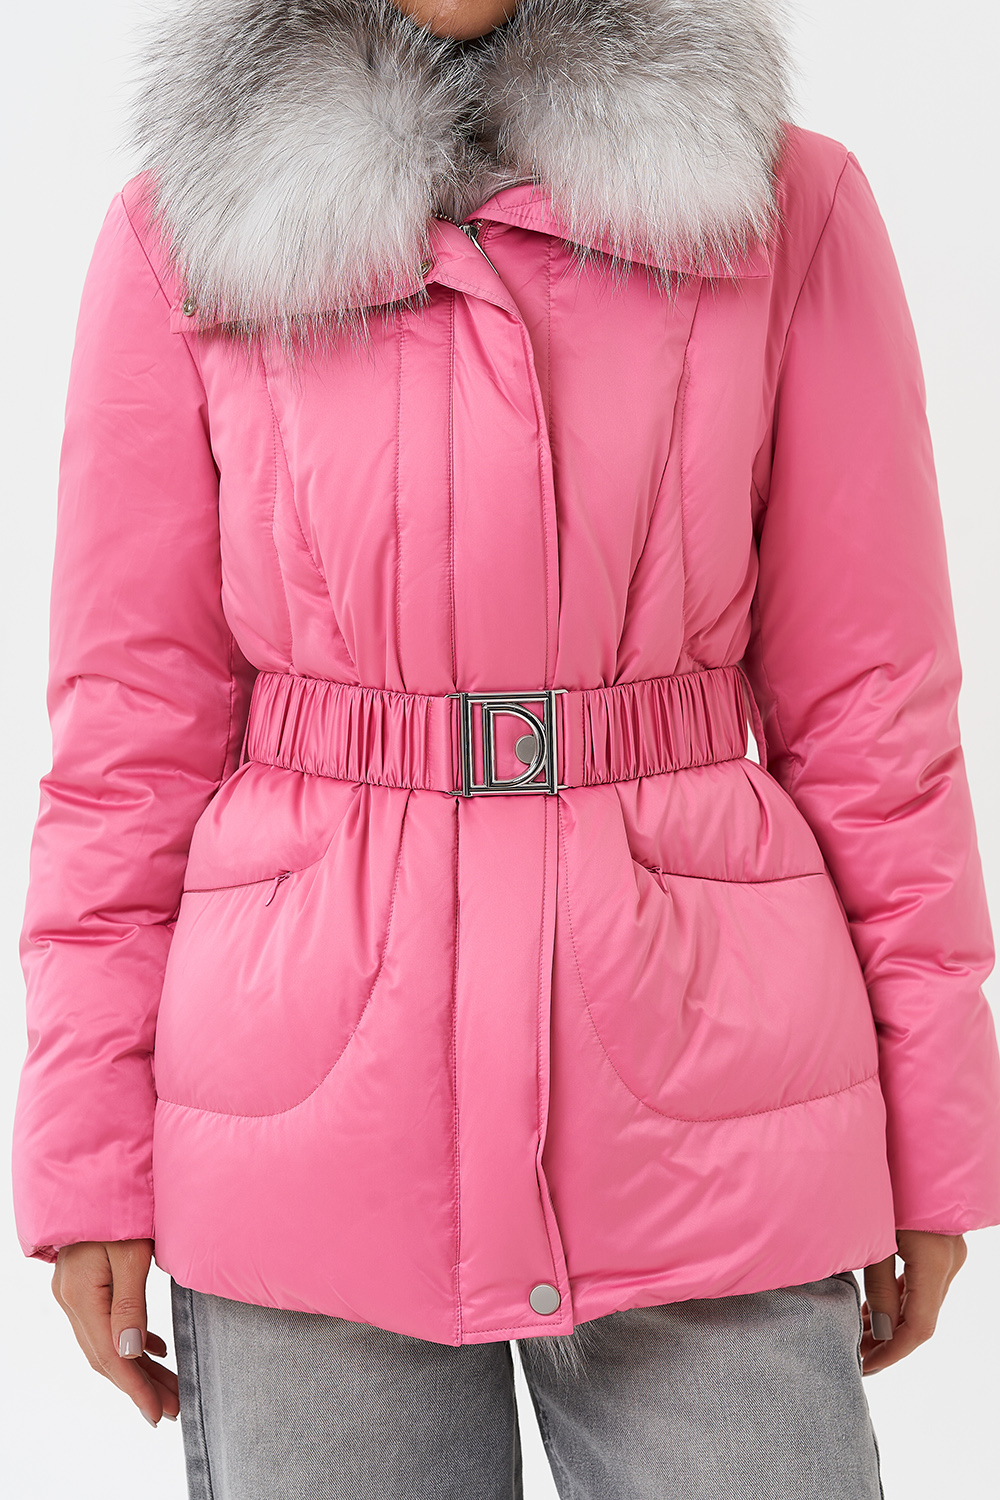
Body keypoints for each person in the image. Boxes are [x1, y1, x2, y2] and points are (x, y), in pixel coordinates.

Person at [12, 0, 1000, 1495]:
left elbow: (876, 715)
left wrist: (935, 1131)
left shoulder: (778, 200)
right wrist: (85, 1153)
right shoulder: (191, 226)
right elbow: (125, 744)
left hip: (716, 1124)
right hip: (303, 1145)